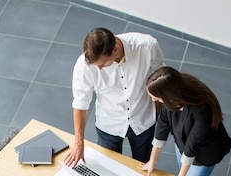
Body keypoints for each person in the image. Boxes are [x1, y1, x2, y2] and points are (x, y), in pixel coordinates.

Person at [64, 27, 164, 166]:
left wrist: (156, 114)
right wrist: (78, 142)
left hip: (143, 120)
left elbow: (158, 79)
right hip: (108, 123)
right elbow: (81, 103)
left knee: (143, 166)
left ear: (115, 50)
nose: (99, 69)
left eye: (103, 64)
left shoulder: (147, 46)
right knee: (110, 167)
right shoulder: (84, 65)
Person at [139, 66, 231, 176]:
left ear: (169, 96)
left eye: (158, 99)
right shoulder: (169, 98)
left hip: (204, 152)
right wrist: (152, 160)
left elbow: (192, 147)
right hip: (184, 143)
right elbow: (162, 127)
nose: (155, 101)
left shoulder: (202, 109)